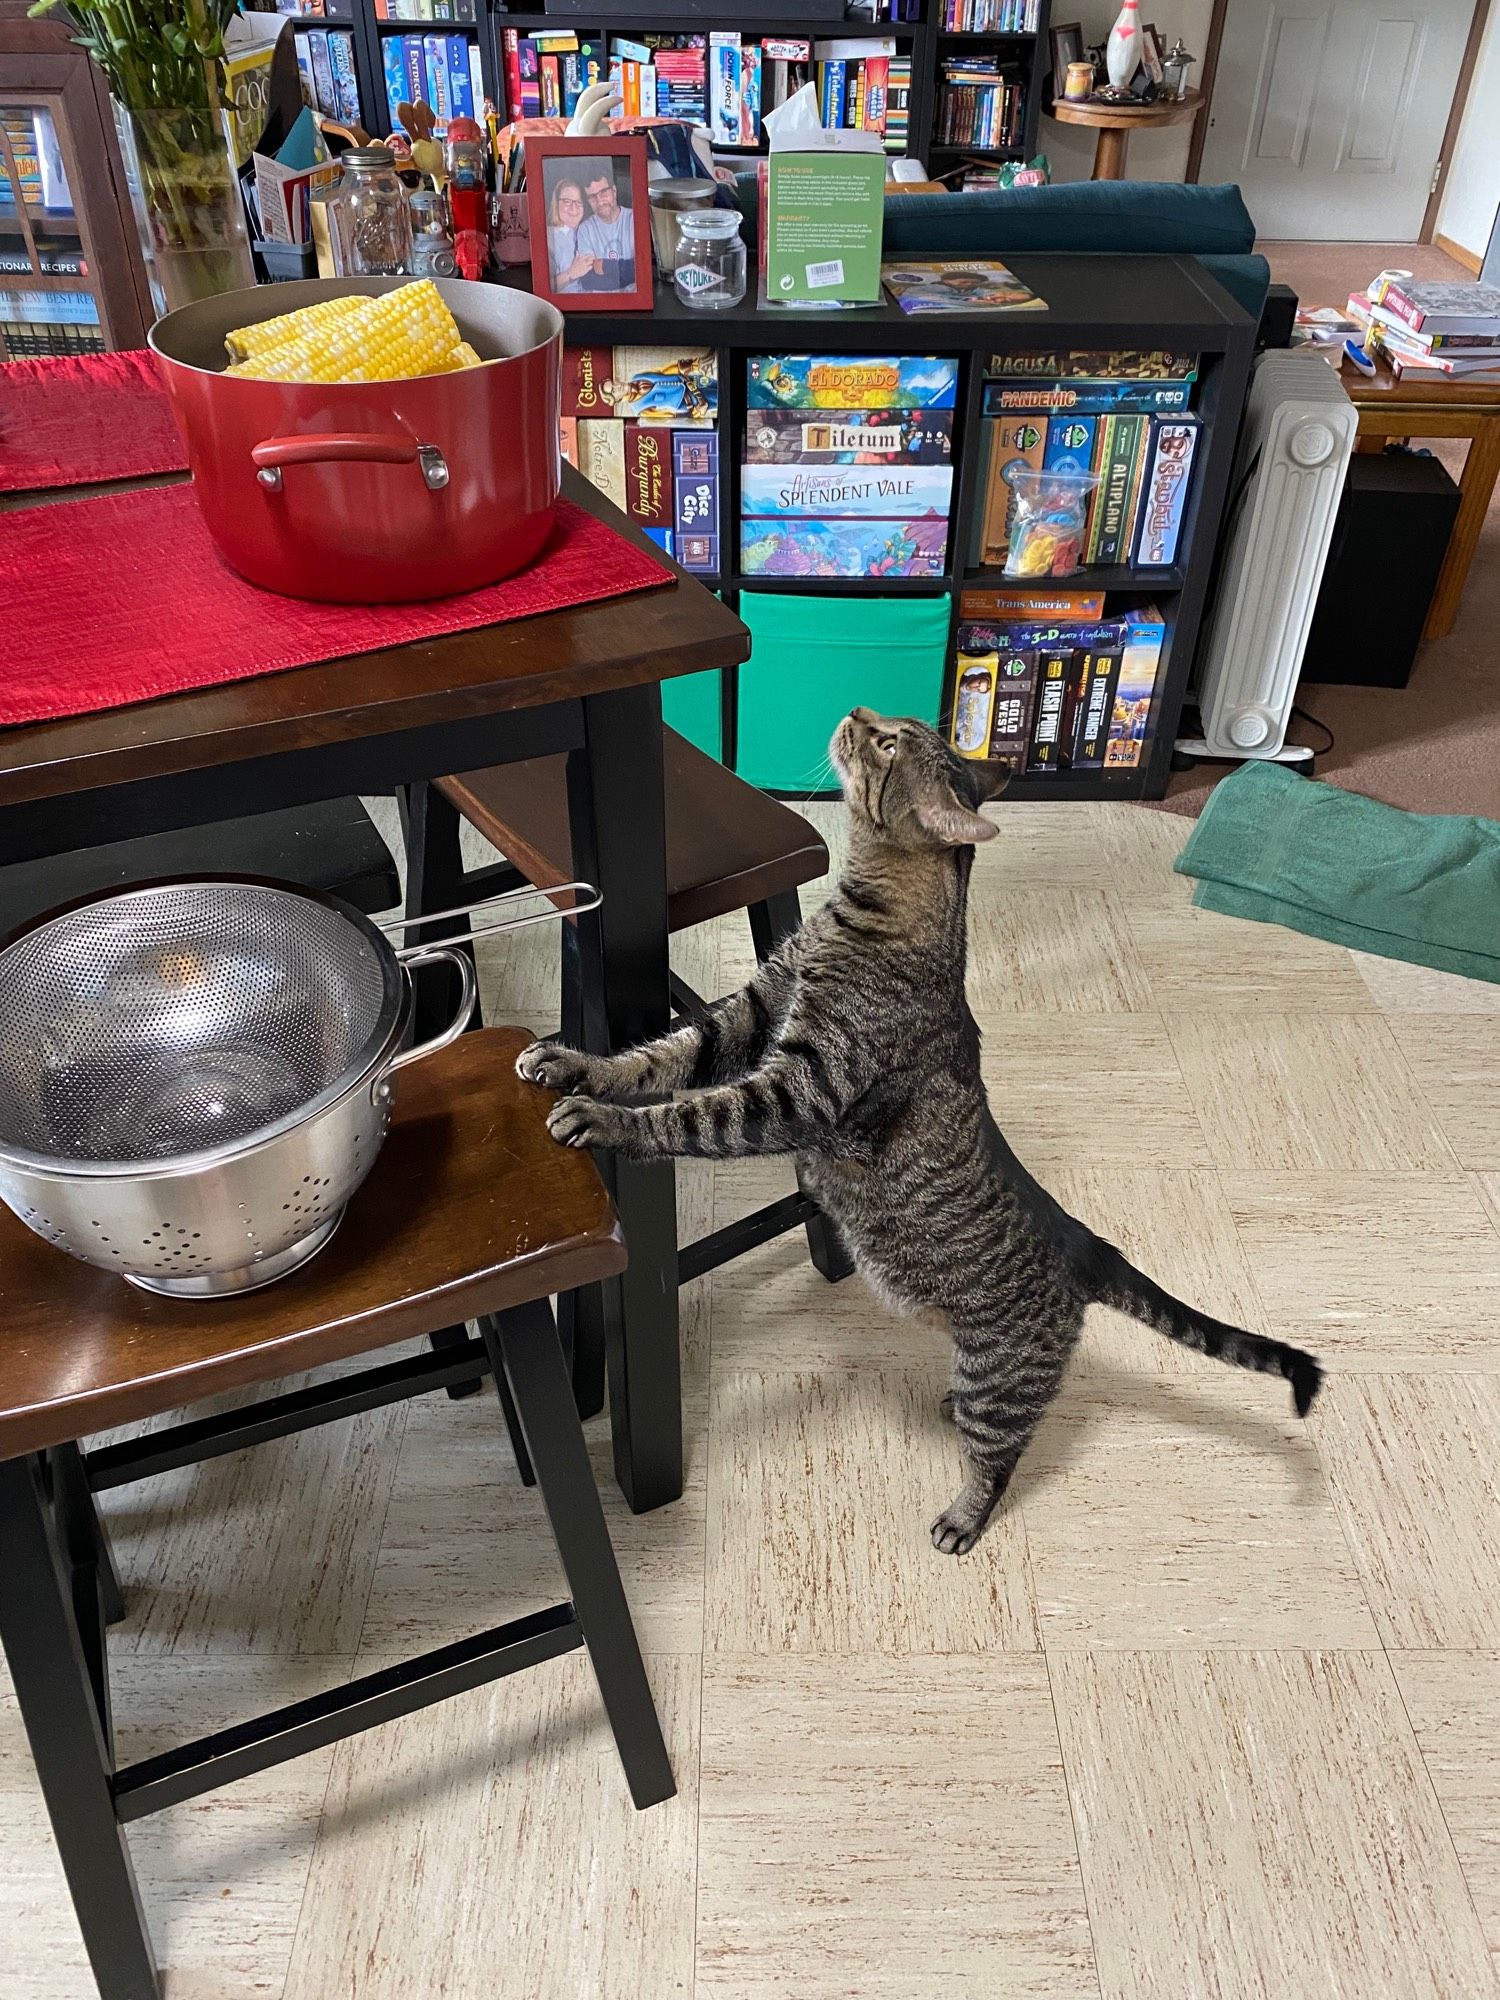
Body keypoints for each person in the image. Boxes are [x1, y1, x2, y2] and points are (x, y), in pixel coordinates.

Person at [575, 164, 635, 289]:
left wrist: (605, 266)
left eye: (603, 192)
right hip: (599, 303)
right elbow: (588, 281)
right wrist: (625, 269)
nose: (599, 201)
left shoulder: (634, 219)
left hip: (635, 302)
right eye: (592, 197)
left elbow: (643, 270)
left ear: (614, 191)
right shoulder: (585, 230)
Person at [545, 177, 596, 294]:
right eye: (567, 201)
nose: (574, 208)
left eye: (579, 202)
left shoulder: (589, 232)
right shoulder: (548, 237)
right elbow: (545, 287)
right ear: (556, 203)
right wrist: (571, 274)